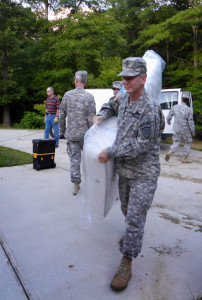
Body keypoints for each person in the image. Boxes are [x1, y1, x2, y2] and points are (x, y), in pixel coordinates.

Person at [93, 57, 165, 291]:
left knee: (134, 218)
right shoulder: (122, 98)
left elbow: (142, 144)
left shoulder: (150, 109)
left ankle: (127, 260)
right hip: (125, 171)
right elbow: (110, 104)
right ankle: (132, 233)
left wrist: (111, 151)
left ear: (143, 78)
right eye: (124, 76)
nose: (125, 81)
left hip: (144, 173)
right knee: (126, 209)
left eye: (131, 77)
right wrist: (102, 114)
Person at [60, 70, 96, 195]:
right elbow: (92, 119)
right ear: (85, 81)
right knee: (90, 160)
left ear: (76, 80)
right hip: (85, 135)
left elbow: (61, 115)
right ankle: (94, 183)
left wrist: (63, 130)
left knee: (74, 160)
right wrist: (93, 135)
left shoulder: (67, 95)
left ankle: (76, 185)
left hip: (72, 134)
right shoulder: (89, 97)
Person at [165, 97, 195, 163]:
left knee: (176, 141)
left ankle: (170, 151)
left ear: (181, 99)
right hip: (185, 129)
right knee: (188, 141)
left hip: (176, 128)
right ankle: (184, 158)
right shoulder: (189, 110)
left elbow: (169, 116)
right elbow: (190, 122)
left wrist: (168, 121)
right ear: (187, 101)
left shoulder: (175, 107)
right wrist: (193, 132)